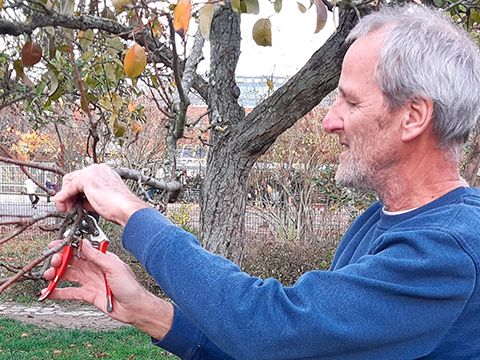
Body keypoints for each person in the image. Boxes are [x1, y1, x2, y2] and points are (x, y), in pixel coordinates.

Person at [42, 5, 480, 359]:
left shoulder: (447, 251)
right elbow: (293, 350)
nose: (329, 121)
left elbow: (269, 329)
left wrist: (131, 210)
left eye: (349, 100)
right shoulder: (383, 221)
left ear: (414, 117)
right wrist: (148, 312)